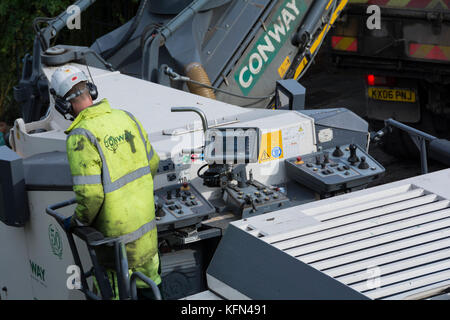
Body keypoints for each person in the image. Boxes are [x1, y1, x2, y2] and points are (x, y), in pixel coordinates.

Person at [50, 65, 161, 299]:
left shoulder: (81, 136)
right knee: (151, 291)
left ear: (62, 105)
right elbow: (153, 164)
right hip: (148, 240)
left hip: (116, 248)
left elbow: (91, 196)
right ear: (91, 90)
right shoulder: (126, 117)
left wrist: (77, 221)